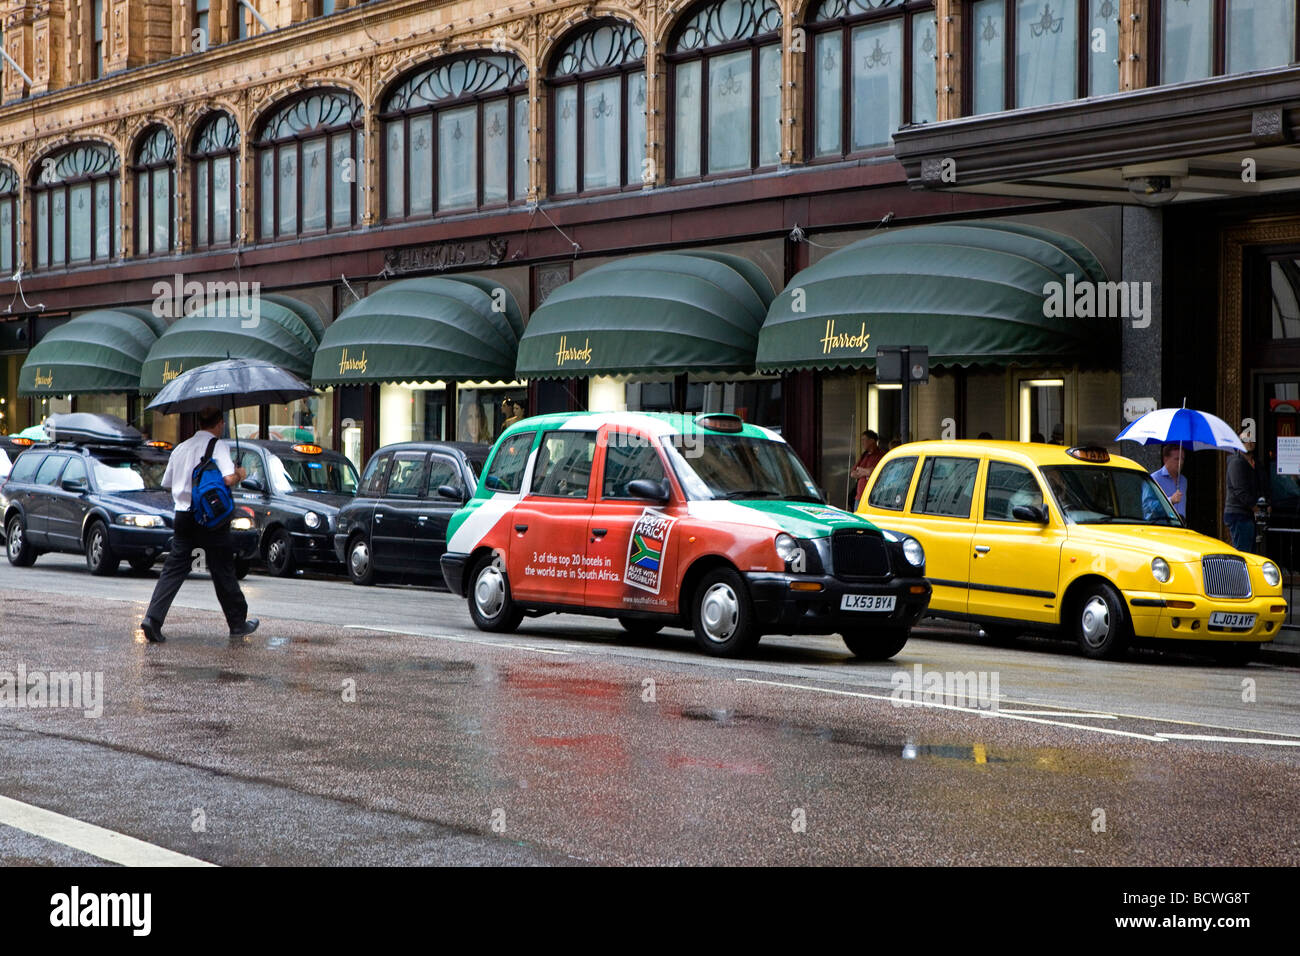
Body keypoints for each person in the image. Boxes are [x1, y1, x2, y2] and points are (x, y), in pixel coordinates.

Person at [139, 406, 258, 643]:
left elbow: (167, 482)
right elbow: (227, 479)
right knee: (222, 568)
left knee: (173, 569)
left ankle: (152, 619)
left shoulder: (181, 448)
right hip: (211, 518)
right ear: (220, 424)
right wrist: (240, 474)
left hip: (183, 515)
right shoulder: (218, 446)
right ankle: (237, 623)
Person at [1224, 432, 1262, 553]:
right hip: (1239, 514)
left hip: (1247, 515)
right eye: (1245, 440)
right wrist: (1256, 508)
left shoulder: (1255, 463)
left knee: (1249, 553)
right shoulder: (1236, 462)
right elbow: (1240, 491)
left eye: (1252, 439)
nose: (1249, 442)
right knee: (1243, 554)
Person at [1149, 443, 1187, 519]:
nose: (1181, 462)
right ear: (1165, 459)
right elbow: (1148, 507)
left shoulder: (1183, 480)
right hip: (1162, 526)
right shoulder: (1155, 478)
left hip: (1180, 526)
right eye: (1177, 459)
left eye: (1182, 459)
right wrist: (1170, 501)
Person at [850, 429, 884, 508]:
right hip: (859, 496)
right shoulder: (864, 455)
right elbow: (852, 473)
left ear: (872, 441)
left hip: (873, 498)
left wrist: (861, 471)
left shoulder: (881, 455)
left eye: (864, 440)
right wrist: (866, 472)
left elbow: (873, 472)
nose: (862, 443)